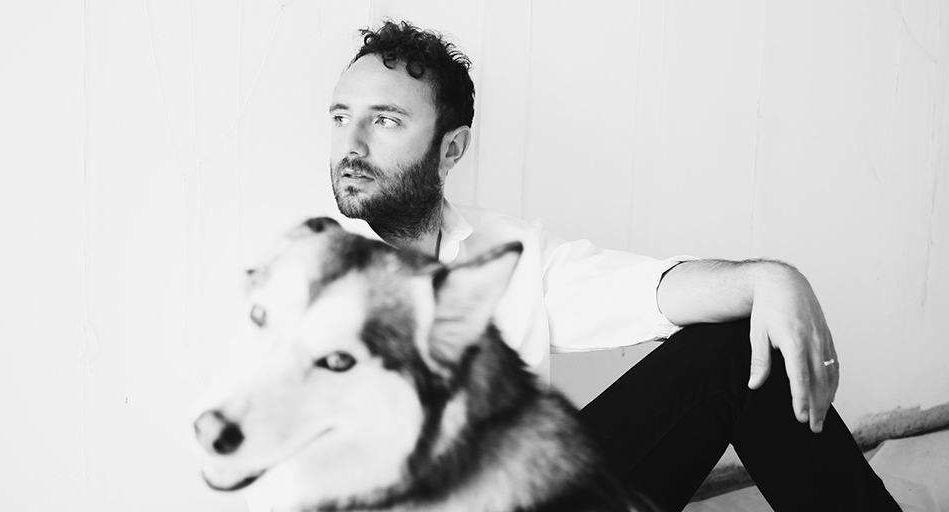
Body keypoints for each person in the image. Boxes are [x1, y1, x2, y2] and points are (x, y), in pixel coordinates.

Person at [326, 20, 901, 511]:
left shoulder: (505, 249)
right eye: (340, 117)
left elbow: (645, 293)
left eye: (385, 120)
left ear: (451, 149)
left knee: (737, 348)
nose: (351, 143)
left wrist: (772, 279)